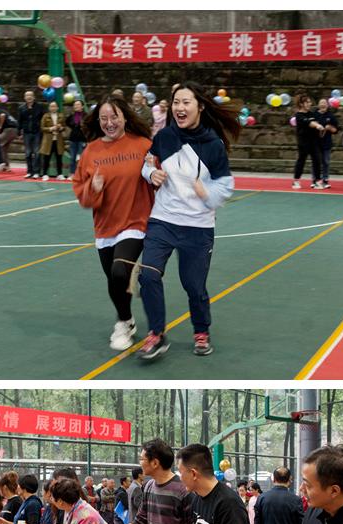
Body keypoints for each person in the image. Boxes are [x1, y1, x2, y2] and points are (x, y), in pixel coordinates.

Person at [137, 82, 238, 360]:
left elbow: (225, 185)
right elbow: (147, 163)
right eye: (176, 102)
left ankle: (201, 331)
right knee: (148, 275)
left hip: (198, 227)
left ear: (200, 107)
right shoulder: (164, 137)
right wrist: (150, 174)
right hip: (163, 220)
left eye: (186, 102)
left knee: (193, 286)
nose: (179, 108)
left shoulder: (213, 145)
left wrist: (208, 193)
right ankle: (156, 333)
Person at [72, 94, 155, 351]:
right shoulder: (91, 151)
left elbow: (159, 179)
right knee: (113, 279)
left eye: (114, 117)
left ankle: (121, 323)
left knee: (119, 271)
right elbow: (82, 195)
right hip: (105, 226)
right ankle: (127, 319)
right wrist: (93, 188)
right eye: (104, 118)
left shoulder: (143, 145)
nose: (109, 123)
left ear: (125, 117)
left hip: (135, 222)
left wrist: (155, 174)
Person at [290, 94, 324, 190]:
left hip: (314, 141)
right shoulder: (299, 115)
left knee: (317, 160)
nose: (309, 104)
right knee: (301, 160)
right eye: (307, 102)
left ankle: (317, 181)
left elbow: (315, 121)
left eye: (310, 102)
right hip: (303, 142)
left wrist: (319, 127)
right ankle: (296, 181)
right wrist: (317, 126)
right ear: (301, 104)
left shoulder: (312, 114)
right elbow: (309, 123)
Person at [17, 90, 44, 178]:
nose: (29, 97)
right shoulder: (22, 108)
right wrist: (19, 132)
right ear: (24, 98)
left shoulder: (39, 107)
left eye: (30, 95)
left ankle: (36, 171)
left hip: (37, 132)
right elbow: (19, 121)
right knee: (28, 153)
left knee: (37, 152)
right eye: (27, 96)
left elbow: (42, 119)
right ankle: (29, 171)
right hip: (26, 132)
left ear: (34, 97)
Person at [312, 98, 339, 188]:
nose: (323, 105)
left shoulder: (331, 116)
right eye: (321, 103)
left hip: (326, 143)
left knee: (326, 162)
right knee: (316, 161)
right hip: (315, 142)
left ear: (327, 105)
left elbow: (336, 130)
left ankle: (325, 180)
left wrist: (330, 128)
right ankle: (315, 180)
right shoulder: (314, 115)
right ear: (318, 105)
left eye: (324, 103)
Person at [39, 100, 67, 180]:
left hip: (58, 140)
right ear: (49, 108)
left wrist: (60, 128)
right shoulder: (45, 116)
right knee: (46, 157)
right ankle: (45, 174)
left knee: (59, 157)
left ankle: (60, 174)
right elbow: (42, 128)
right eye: (51, 106)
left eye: (54, 106)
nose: (53, 108)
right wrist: (50, 128)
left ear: (57, 108)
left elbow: (64, 127)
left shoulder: (61, 116)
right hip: (48, 140)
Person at [65, 99, 87, 170]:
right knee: (72, 158)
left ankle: (81, 173)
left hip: (82, 139)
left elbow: (89, 126)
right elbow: (67, 123)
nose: (76, 106)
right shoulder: (71, 116)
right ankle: (72, 173)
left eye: (78, 104)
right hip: (73, 139)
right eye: (75, 105)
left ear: (82, 106)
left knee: (81, 158)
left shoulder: (86, 116)